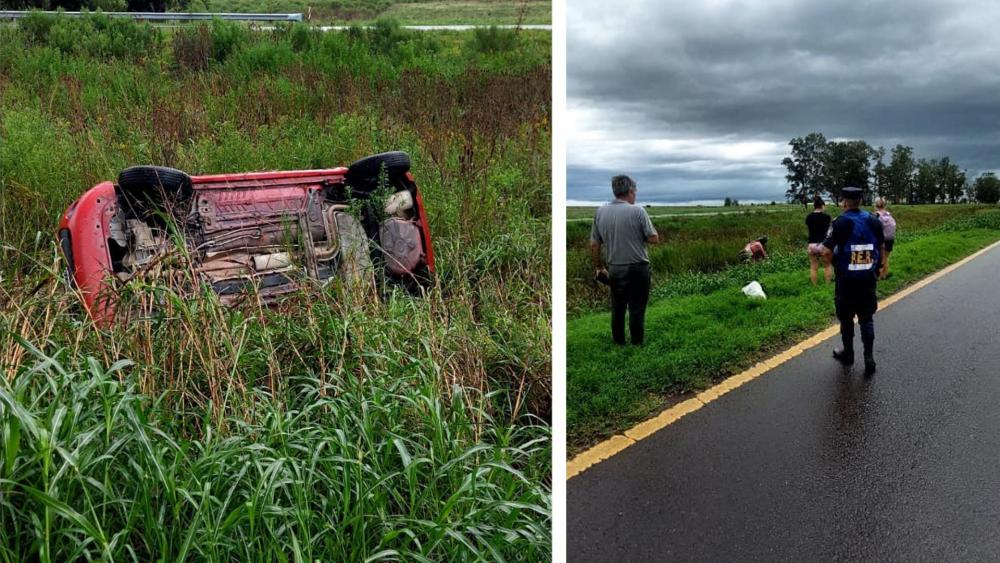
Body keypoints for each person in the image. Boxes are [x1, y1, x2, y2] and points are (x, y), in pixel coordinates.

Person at [822, 187, 886, 376]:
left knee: (846, 318)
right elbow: (881, 246)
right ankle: (869, 358)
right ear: (860, 200)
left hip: (846, 281)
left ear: (844, 201)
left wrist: (836, 264)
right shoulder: (874, 220)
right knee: (866, 318)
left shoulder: (840, 222)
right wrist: (878, 266)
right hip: (867, 279)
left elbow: (826, 251)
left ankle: (848, 354)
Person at [591, 175, 659, 345]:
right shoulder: (638, 211)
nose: (635, 195)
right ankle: (637, 343)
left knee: (618, 307)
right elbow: (654, 239)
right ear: (630, 191)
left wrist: (599, 266)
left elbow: (594, 244)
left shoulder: (600, 212)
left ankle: (619, 343)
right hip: (638, 267)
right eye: (634, 191)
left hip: (615, 268)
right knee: (637, 308)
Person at [805, 196, 833, 284]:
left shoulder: (809, 217)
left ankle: (814, 285)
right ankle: (827, 284)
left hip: (812, 244)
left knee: (813, 267)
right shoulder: (827, 217)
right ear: (822, 206)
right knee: (827, 265)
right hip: (824, 244)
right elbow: (829, 230)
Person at [873, 197, 896, 280]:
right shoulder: (888, 214)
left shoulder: (876, 215)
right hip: (890, 238)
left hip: (881, 240)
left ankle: (879, 275)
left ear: (875, 205)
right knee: (886, 257)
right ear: (885, 205)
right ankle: (884, 274)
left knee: (879, 258)